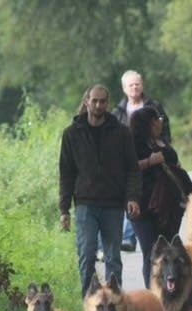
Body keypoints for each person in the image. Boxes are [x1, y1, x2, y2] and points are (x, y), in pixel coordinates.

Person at [59, 84, 141, 298]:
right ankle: (89, 302)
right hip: (85, 204)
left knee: (113, 257)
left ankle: (115, 303)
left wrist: (132, 197)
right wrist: (64, 209)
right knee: (86, 254)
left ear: (108, 103)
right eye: (94, 101)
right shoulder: (72, 134)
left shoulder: (121, 133)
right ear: (87, 101)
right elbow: (66, 173)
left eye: (102, 101)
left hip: (113, 204)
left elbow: (132, 168)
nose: (98, 105)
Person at [128, 106, 192, 287]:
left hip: (170, 206)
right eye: (158, 118)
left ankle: (171, 294)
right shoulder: (133, 143)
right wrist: (150, 162)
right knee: (152, 252)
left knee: (169, 252)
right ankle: (153, 295)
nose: (161, 121)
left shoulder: (163, 141)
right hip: (144, 206)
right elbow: (125, 169)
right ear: (148, 123)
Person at [113, 70, 171, 252]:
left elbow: (165, 128)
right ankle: (130, 237)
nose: (135, 87)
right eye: (131, 85)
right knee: (132, 196)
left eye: (137, 83)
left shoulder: (154, 106)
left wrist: (164, 148)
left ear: (142, 85)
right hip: (130, 160)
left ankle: (138, 236)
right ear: (124, 89)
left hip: (155, 159)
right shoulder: (118, 112)